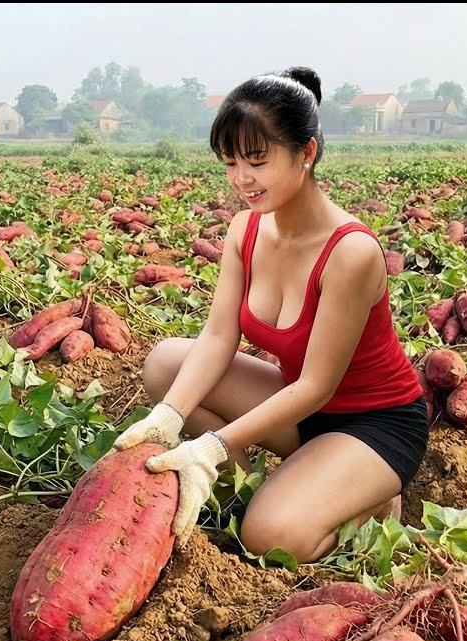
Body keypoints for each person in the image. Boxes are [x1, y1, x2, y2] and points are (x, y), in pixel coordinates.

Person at [112, 66, 429, 564]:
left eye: (258, 161)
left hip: (374, 424)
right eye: (230, 161)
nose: (242, 179)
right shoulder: (246, 229)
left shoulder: (351, 253)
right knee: (165, 365)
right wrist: (168, 417)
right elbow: (219, 336)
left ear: (307, 153)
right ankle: (245, 487)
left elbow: (317, 386)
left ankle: (372, 501)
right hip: (300, 411)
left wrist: (210, 445)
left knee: (269, 537)